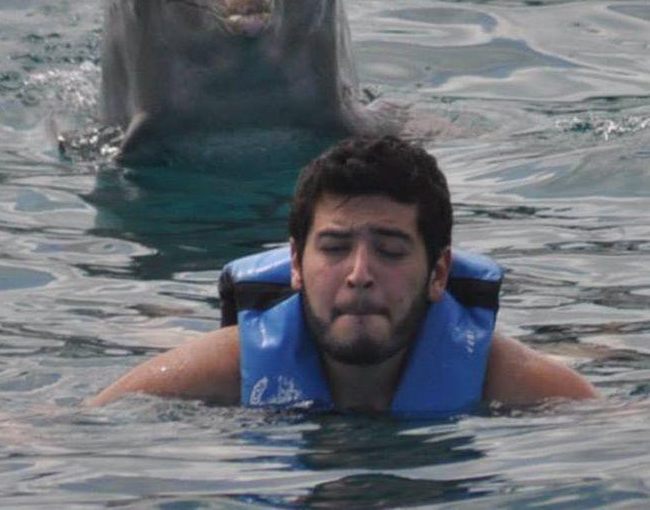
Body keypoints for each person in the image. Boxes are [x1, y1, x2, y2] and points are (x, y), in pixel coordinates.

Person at [89, 136, 597, 414]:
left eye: (390, 251)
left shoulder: (512, 381)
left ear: (438, 272)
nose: (359, 274)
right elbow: (76, 432)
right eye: (334, 248)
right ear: (295, 264)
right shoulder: (221, 368)